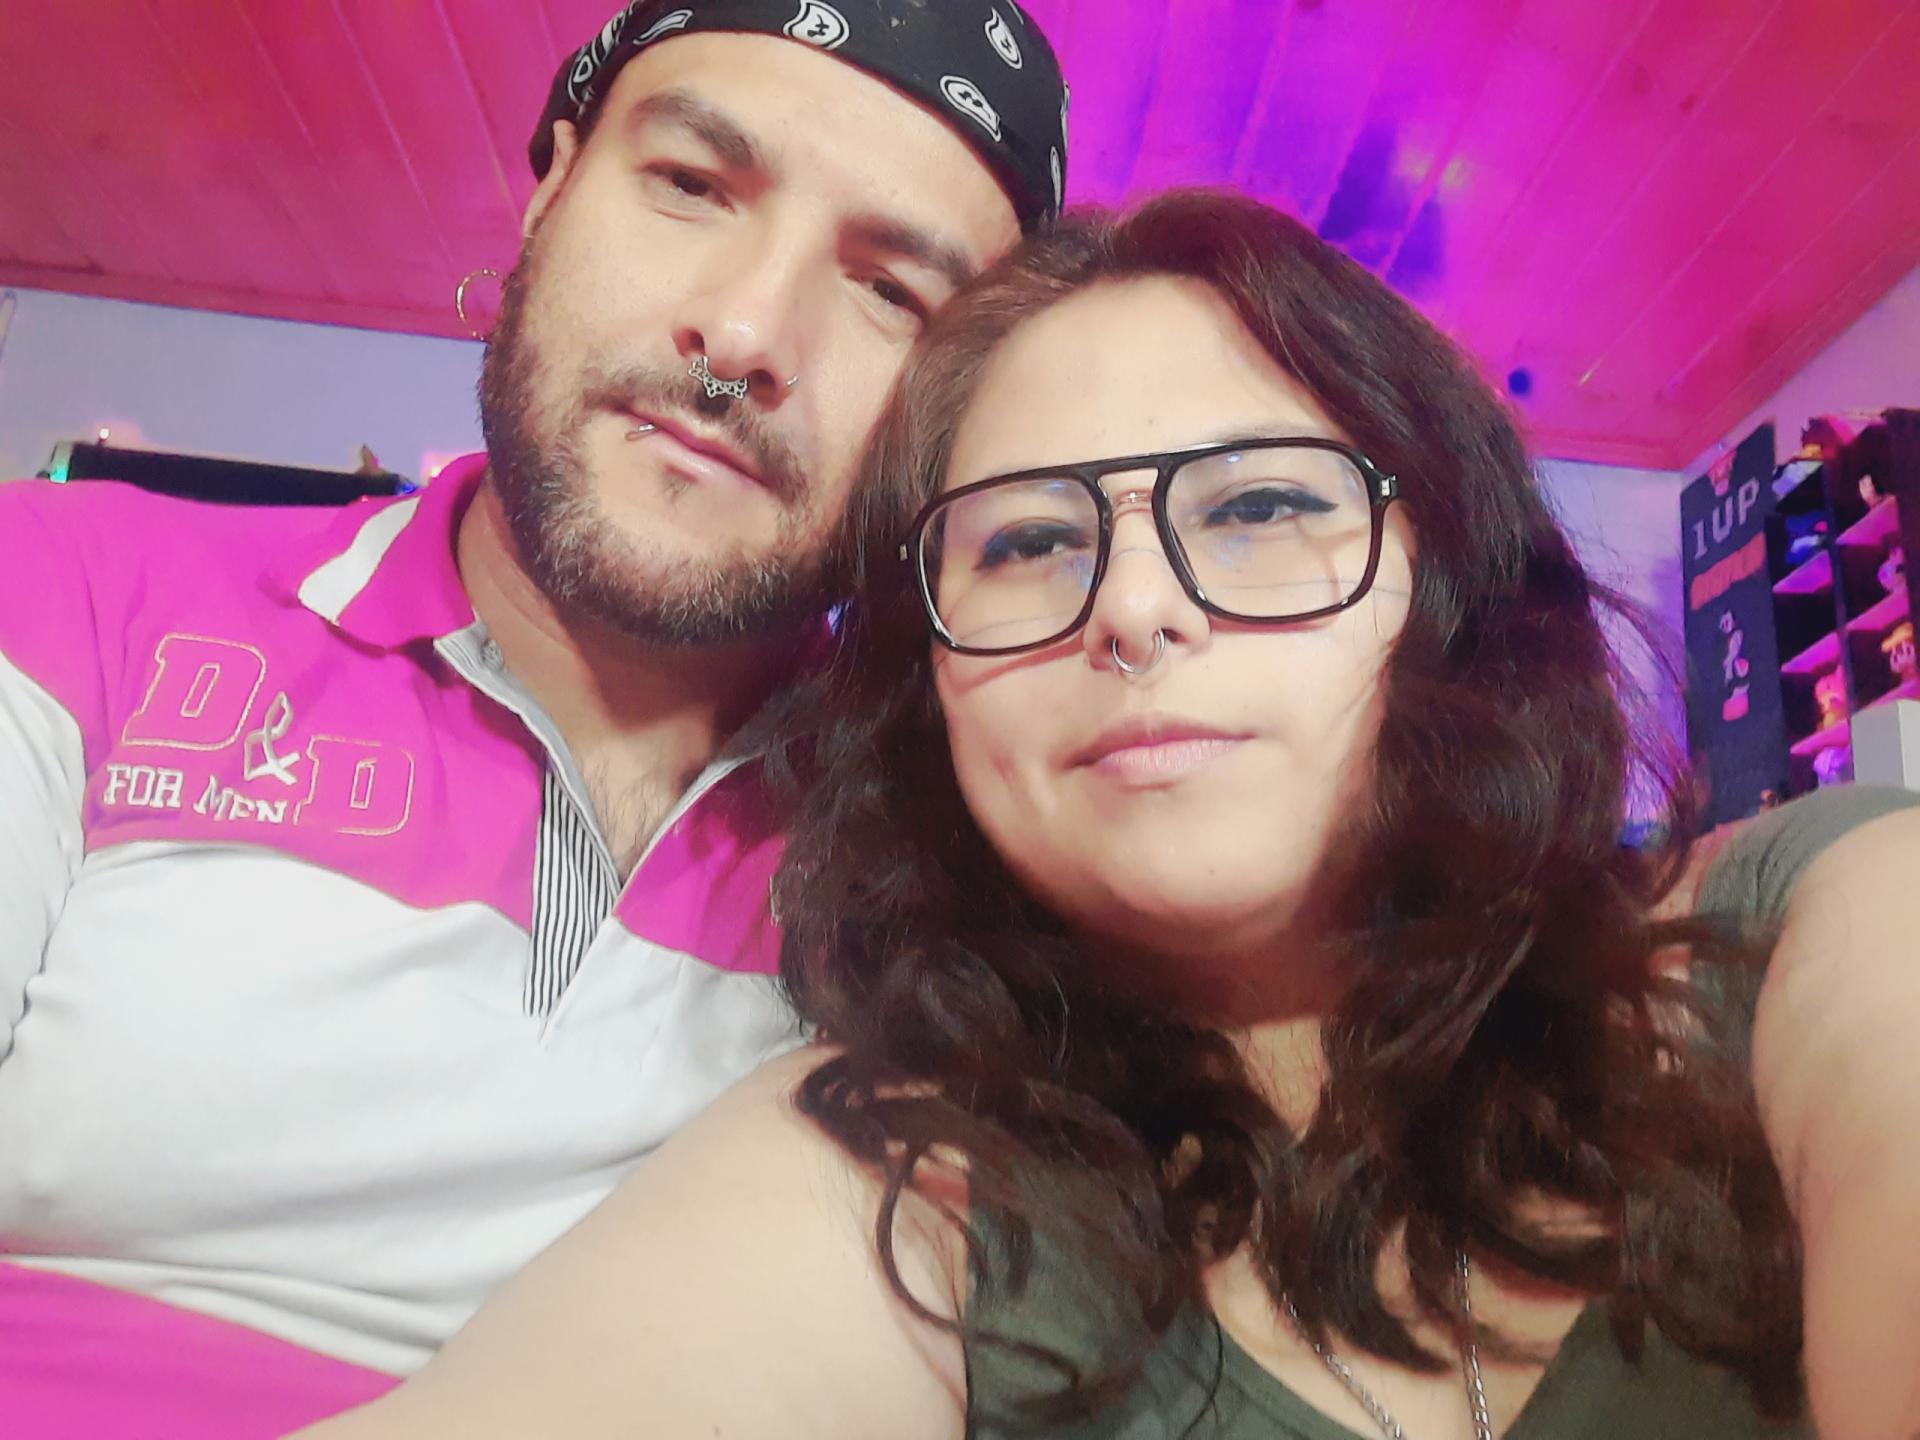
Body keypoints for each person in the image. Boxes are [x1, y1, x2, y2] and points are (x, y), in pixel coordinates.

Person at [301, 189, 1920, 1440]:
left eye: (1262, 504)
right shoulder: (896, 1171)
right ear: (931, 683)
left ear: (1443, 581)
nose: (1137, 609)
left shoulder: (1810, 939)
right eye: (1024, 544)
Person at [0, 2, 1067, 1432]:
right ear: (552, 186)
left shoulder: (974, 846)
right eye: (691, 184)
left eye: (890, 290)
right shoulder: (65, 587)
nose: (747, 332)